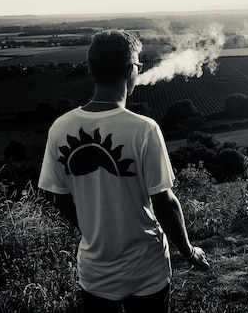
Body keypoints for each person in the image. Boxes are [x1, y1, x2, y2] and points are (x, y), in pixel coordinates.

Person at [38, 29, 209, 313]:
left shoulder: (60, 127)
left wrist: (94, 230)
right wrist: (189, 253)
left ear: (93, 69)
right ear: (131, 70)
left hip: (94, 273)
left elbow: (58, 196)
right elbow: (165, 203)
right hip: (147, 271)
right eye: (139, 65)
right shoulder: (144, 129)